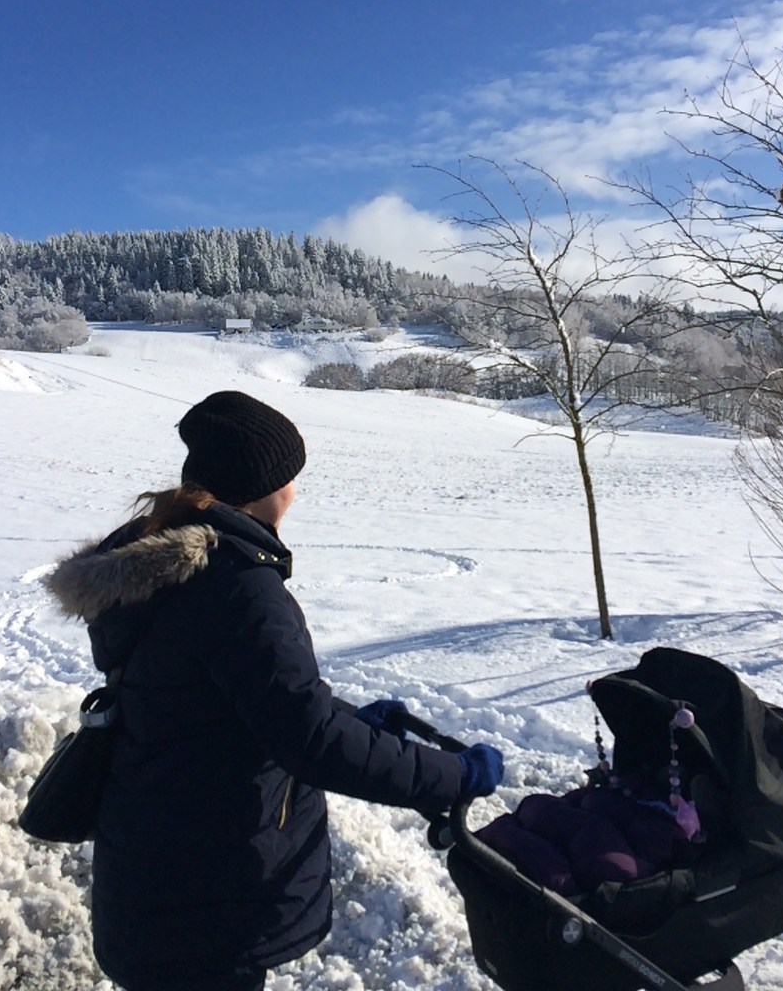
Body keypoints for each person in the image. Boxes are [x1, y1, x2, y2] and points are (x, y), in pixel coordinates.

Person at [44, 390, 504, 991]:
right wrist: (453, 775)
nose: (295, 491)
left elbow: (242, 700)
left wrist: (355, 720)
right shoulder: (235, 587)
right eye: (291, 476)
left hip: (161, 870)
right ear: (262, 485)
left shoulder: (168, 565)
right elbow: (308, 739)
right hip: (208, 894)